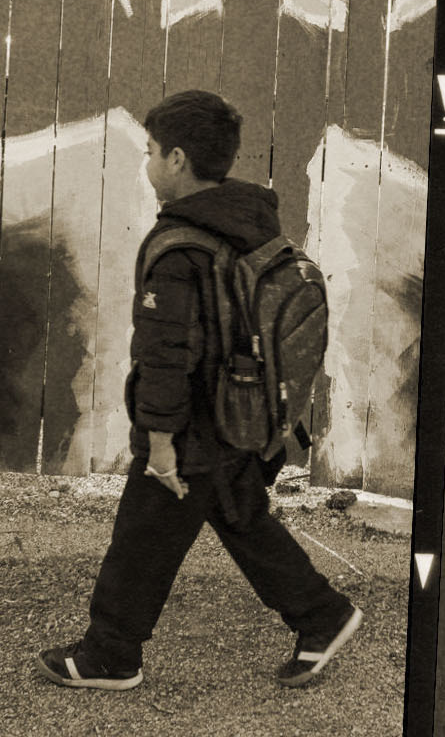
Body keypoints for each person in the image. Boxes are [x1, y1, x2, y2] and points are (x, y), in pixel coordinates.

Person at [36, 91, 362, 691]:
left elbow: (164, 357)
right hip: (237, 411)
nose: (149, 162)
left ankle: (110, 656)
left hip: (193, 425)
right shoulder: (247, 222)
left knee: (142, 538)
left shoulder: (180, 248)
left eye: (153, 151)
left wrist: (160, 441)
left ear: (178, 159)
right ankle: (323, 616)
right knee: (240, 516)